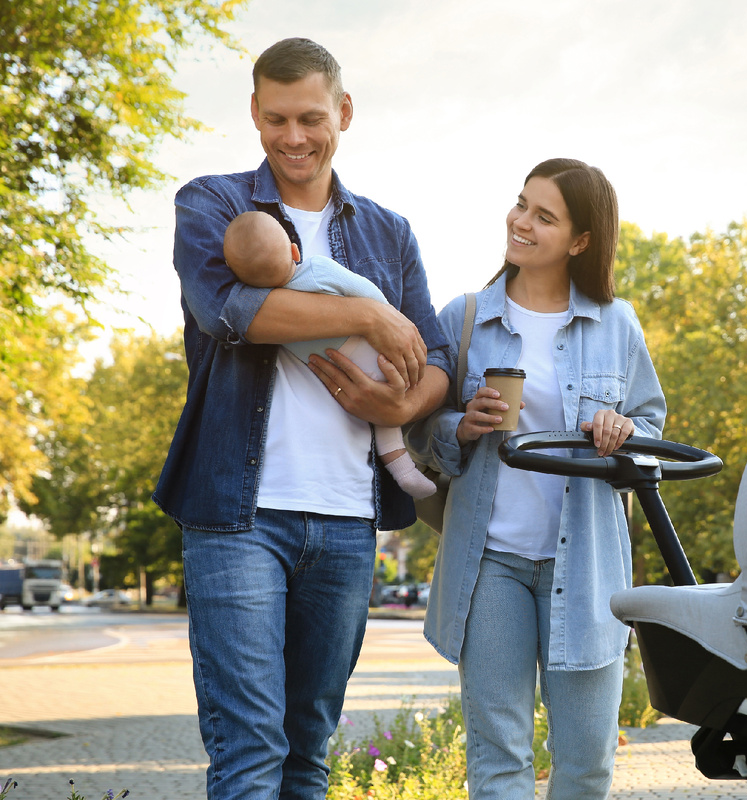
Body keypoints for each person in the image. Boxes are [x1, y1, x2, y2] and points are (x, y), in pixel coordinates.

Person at [152, 37, 449, 800]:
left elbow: (440, 358)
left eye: (311, 118)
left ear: (343, 112)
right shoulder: (212, 204)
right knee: (250, 750)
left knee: (308, 753)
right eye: (277, 118)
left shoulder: (388, 232)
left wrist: (403, 404)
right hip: (236, 516)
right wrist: (369, 316)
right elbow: (230, 312)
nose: (293, 137)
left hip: (348, 520)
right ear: (255, 111)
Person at [405, 158, 667, 799]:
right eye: (521, 203)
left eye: (543, 216)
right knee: (498, 757)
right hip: (490, 560)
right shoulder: (465, 317)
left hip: (587, 567)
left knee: (587, 760)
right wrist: (460, 427)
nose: (520, 221)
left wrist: (622, 429)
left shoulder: (617, 324)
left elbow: (651, 427)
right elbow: (416, 428)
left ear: (581, 241)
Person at [222, 209, 437, 499]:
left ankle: (403, 469)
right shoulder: (316, 269)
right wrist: (390, 318)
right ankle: (404, 469)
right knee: (385, 407)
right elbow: (364, 291)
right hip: (377, 356)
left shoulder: (267, 314)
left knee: (380, 415)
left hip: (340, 375)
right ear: (294, 251)